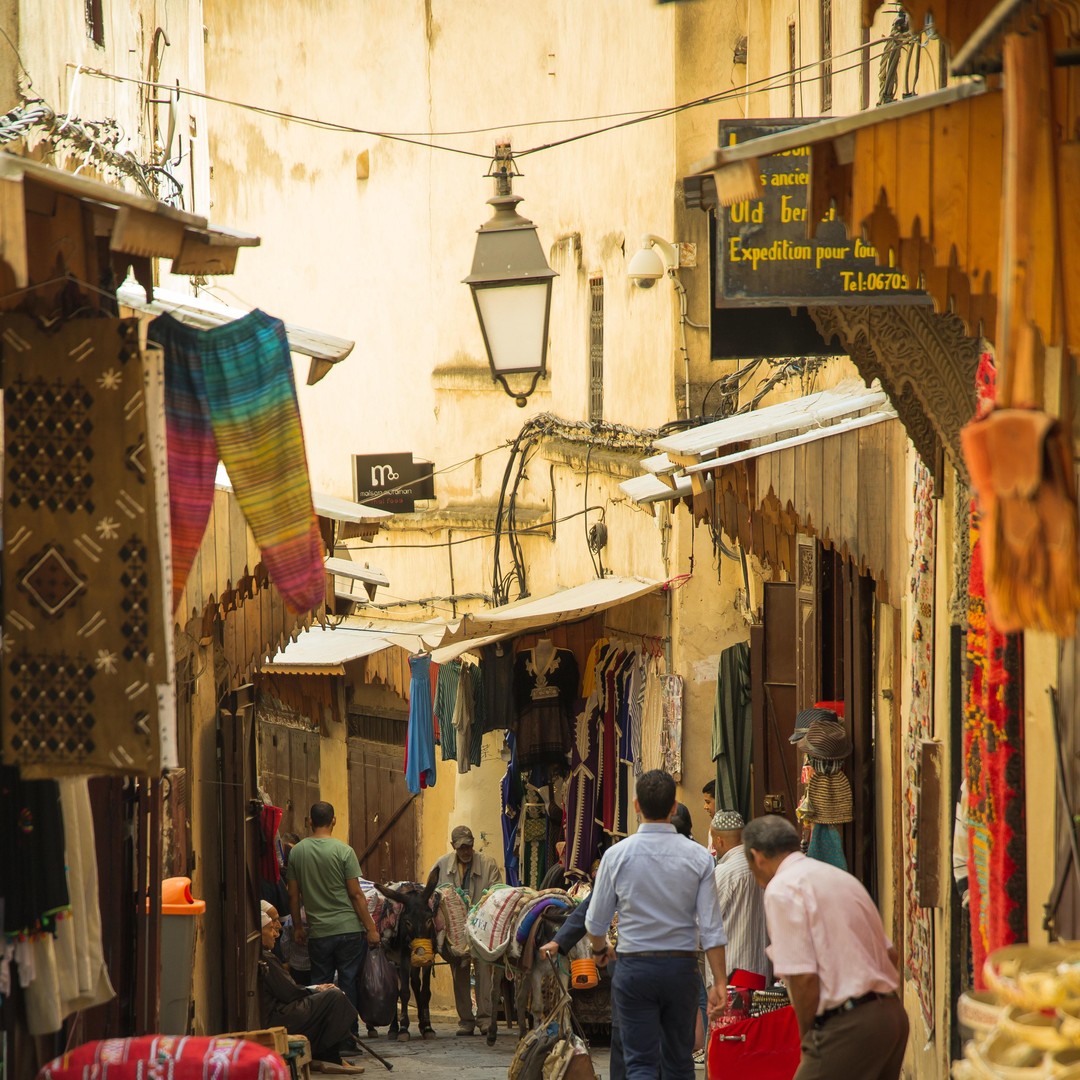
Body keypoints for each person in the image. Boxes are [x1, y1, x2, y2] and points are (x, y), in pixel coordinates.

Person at [741, 816, 908, 1080]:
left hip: (849, 1023)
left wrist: (809, 1039)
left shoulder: (782, 888)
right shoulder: (840, 878)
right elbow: (891, 955)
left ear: (756, 856)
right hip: (891, 1015)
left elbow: (803, 977)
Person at [586, 770, 727, 1080]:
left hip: (634, 968)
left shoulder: (616, 855)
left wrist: (600, 950)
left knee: (640, 1064)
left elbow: (595, 922)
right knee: (679, 1063)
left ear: (636, 806)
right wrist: (720, 981)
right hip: (680, 969)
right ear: (673, 807)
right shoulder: (700, 858)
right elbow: (711, 927)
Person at [288, 801, 380, 1012]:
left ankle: (324, 1027)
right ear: (334, 821)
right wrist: (371, 928)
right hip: (349, 930)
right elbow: (356, 894)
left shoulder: (297, 852)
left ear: (310, 821)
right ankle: (348, 1029)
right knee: (348, 982)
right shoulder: (344, 851)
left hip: (319, 932)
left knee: (321, 985)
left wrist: (298, 927)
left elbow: (292, 895)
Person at [257, 911, 365, 1069]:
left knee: (331, 995)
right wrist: (315, 990)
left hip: (275, 1011)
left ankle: (327, 1054)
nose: (275, 934)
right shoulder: (266, 958)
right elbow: (289, 993)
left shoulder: (264, 956)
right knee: (334, 997)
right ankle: (330, 1056)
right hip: (276, 1015)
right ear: (260, 934)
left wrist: (314, 991)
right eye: (270, 929)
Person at [431, 824, 502, 1035]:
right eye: (461, 847)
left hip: (482, 926)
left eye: (468, 846)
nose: (465, 851)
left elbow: (497, 894)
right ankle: (466, 1020)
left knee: (484, 970)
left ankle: (485, 1019)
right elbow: (432, 896)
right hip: (455, 930)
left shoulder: (488, 864)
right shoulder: (441, 865)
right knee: (459, 969)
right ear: (453, 846)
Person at [710, 811, 771, 982]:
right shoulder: (762, 865)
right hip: (762, 967)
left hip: (733, 971)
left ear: (719, 840)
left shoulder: (724, 872)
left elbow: (707, 923)